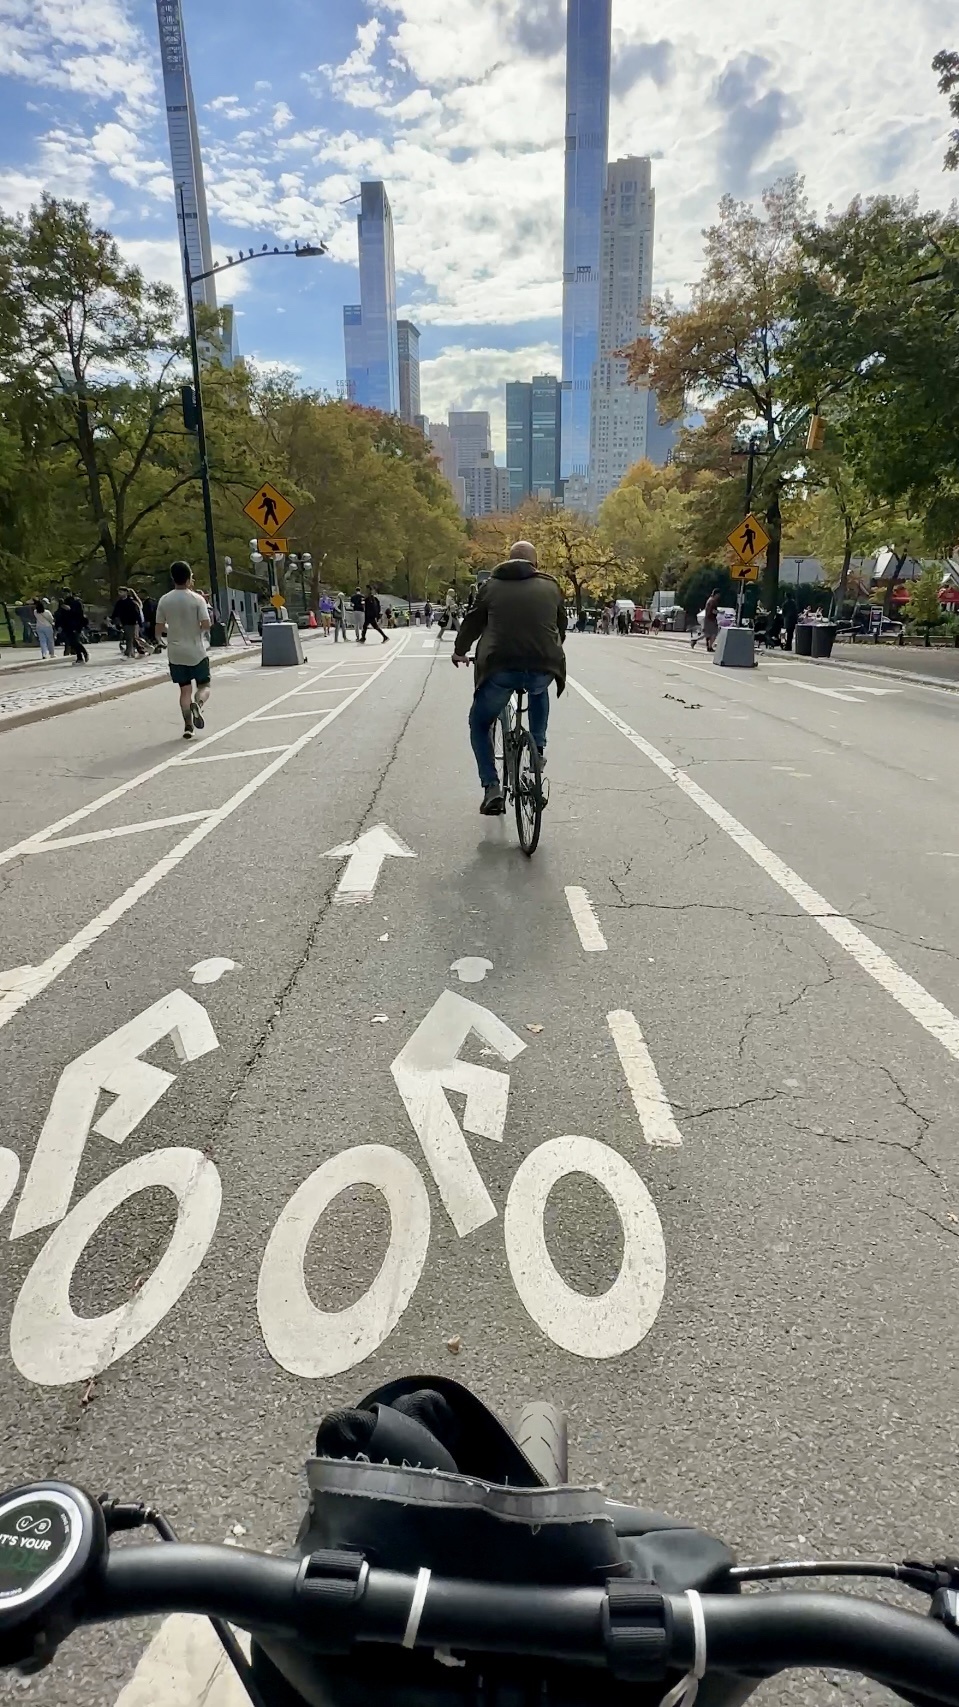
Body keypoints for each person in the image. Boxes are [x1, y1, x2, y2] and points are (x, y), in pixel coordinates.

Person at [452, 540, 567, 817]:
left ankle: (492, 787)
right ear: (535, 564)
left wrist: (459, 651)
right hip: (543, 664)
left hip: (500, 668)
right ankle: (537, 748)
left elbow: (472, 623)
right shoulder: (551, 587)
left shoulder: (490, 587)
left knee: (479, 723)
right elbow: (560, 626)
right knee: (540, 689)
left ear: (508, 560)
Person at [155, 561, 212, 740]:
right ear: (189, 577)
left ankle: (188, 726)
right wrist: (195, 630)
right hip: (196, 650)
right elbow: (206, 624)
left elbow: (158, 628)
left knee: (184, 690)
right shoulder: (197, 599)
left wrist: (167, 633)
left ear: (173, 578)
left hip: (175, 652)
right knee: (204, 685)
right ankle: (199, 703)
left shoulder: (165, 599)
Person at [113, 587, 148, 657]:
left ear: (126, 592)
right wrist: (113, 619)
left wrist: (140, 624)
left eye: (121, 592)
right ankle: (142, 648)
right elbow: (115, 613)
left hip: (132, 623)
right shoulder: (119, 603)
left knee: (129, 638)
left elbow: (137, 614)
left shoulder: (132, 602)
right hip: (124, 623)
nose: (120, 594)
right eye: (119, 592)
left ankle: (128, 653)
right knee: (131, 638)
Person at [62, 592, 89, 664]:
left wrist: (70, 610)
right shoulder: (64, 602)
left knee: (75, 641)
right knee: (71, 642)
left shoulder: (76, 603)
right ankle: (79, 657)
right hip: (67, 625)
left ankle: (84, 653)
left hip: (75, 625)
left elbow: (79, 614)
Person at [692, 589, 720, 653]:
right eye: (718, 595)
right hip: (710, 619)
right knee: (713, 633)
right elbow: (712, 610)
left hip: (709, 619)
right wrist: (719, 612)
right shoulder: (712, 601)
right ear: (716, 594)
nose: (719, 596)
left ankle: (708, 646)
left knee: (708, 634)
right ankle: (709, 646)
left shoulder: (710, 600)